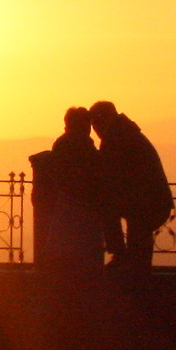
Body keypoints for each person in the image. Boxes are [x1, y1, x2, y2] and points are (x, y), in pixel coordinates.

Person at [89, 100, 174, 273]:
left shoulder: (115, 138)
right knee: (139, 240)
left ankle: (124, 259)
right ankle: (133, 266)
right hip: (152, 200)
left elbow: (108, 176)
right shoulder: (126, 132)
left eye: (95, 123)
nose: (95, 130)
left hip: (144, 202)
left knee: (112, 211)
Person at [31, 107, 107, 272]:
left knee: (64, 255)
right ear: (84, 126)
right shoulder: (83, 146)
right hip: (81, 209)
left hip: (65, 209)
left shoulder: (62, 144)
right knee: (82, 258)